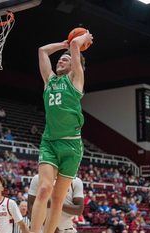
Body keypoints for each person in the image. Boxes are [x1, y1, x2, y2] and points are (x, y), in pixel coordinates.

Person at [30, 30, 93, 233]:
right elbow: (42, 51)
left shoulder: (76, 80)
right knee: (44, 190)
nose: (60, 61)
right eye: (59, 60)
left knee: (57, 200)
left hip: (72, 145)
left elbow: (76, 47)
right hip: (50, 142)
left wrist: (81, 40)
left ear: (75, 66)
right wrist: (64, 44)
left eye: (65, 60)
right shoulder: (49, 81)